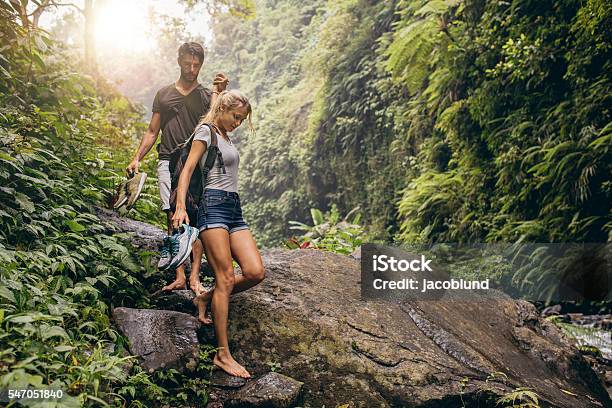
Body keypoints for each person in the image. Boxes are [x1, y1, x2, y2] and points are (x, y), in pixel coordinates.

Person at [172, 90, 265, 379]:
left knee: (255, 271)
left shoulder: (226, 136)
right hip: (212, 206)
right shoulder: (206, 130)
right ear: (222, 109)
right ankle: (222, 355)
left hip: (233, 208)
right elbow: (187, 171)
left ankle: (206, 298)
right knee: (225, 277)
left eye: (242, 118)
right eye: (236, 116)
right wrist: (180, 208)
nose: (238, 122)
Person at [126, 42, 228, 294]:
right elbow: (152, 131)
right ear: (179, 61)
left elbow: (214, 124)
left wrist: (219, 92)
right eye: (187, 63)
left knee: (196, 215)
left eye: (196, 65)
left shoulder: (205, 95)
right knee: (172, 215)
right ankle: (179, 274)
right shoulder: (164, 94)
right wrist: (136, 158)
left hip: (195, 163)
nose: (192, 69)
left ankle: (194, 277)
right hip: (166, 160)